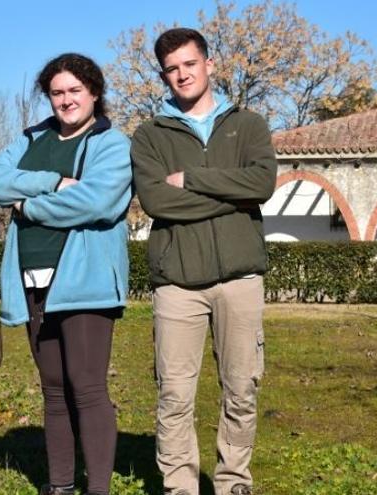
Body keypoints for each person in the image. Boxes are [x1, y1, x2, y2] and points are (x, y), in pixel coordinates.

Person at [130, 28, 277, 495]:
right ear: (163, 75)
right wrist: (231, 196)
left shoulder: (248, 124)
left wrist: (192, 179)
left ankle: (234, 481)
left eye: (189, 64)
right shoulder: (150, 135)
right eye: (172, 69)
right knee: (174, 393)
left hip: (241, 278)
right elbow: (157, 201)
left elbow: (262, 185)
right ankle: (180, 486)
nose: (182, 75)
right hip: (177, 284)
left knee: (242, 389)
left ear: (209, 65)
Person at [0, 53, 131, 495]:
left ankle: (98, 489)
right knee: (53, 390)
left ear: (94, 92)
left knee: (86, 388)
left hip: (85, 284)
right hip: (33, 280)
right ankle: (60, 485)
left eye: (75, 91)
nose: (66, 100)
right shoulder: (32, 139)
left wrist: (28, 206)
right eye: (57, 93)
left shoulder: (111, 143)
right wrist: (52, 181)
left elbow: (98, 202)